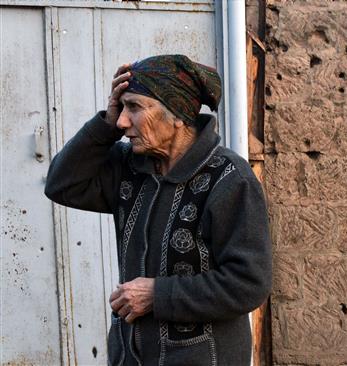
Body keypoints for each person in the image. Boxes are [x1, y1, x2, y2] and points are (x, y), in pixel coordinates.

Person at [44, 54, 272, 366]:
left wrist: (158, 295)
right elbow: (61, 184)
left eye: (134, 107)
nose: (123, 121)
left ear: (177, 115)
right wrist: (105, 126)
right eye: (121, 107)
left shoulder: (229, 178)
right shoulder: (129, 167)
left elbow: (248, 283)